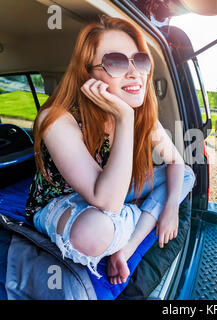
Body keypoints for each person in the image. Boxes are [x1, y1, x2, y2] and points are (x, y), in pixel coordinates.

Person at [24, 16, 196, 285]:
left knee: (185, 174)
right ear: (88, 74)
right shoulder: (57, 119)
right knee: (94, 233)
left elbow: (176, 162)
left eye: (140, 60)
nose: (134, 73)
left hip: (112, 191)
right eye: (116, 62)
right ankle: (141, 214)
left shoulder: (144, 118)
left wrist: (171, 206)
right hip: (61, 202)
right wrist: (124, 118)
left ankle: (125, 248)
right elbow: (106, 201)